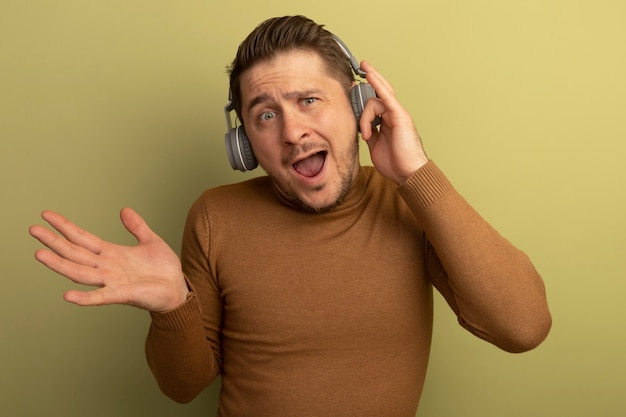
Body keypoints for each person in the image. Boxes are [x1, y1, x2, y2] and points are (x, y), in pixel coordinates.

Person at [29, 15, 551, 417]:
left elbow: (523, 327)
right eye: (265, 114)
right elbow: (182, 387)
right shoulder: (215, 216)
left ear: (359, 103)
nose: (292, 131)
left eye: (308, 100)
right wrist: (173, 307)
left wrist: (416, 172)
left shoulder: (406, 204)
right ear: (245, 144)